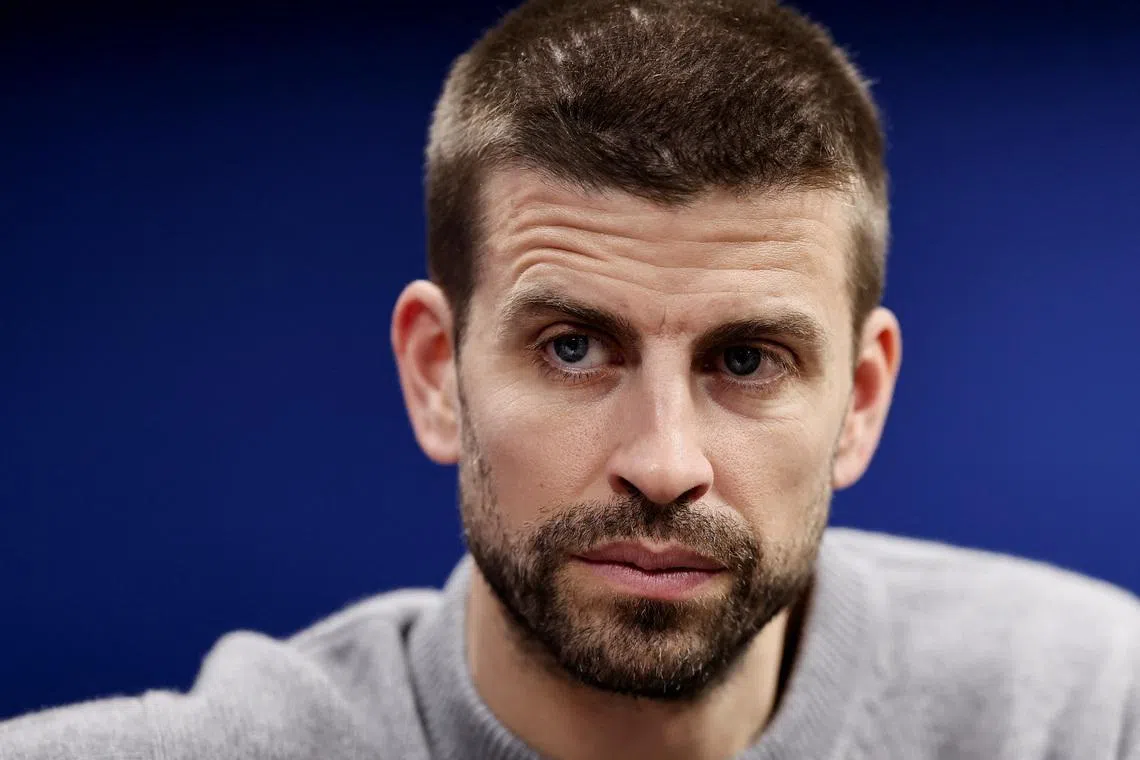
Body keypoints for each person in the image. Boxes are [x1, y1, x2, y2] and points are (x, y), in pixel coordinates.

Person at [3, 0, 1139, 758]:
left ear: (862, 400)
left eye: (745, 360)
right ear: (436, 373)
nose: (662, 463)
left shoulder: (1084, 709)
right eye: (575, 348)